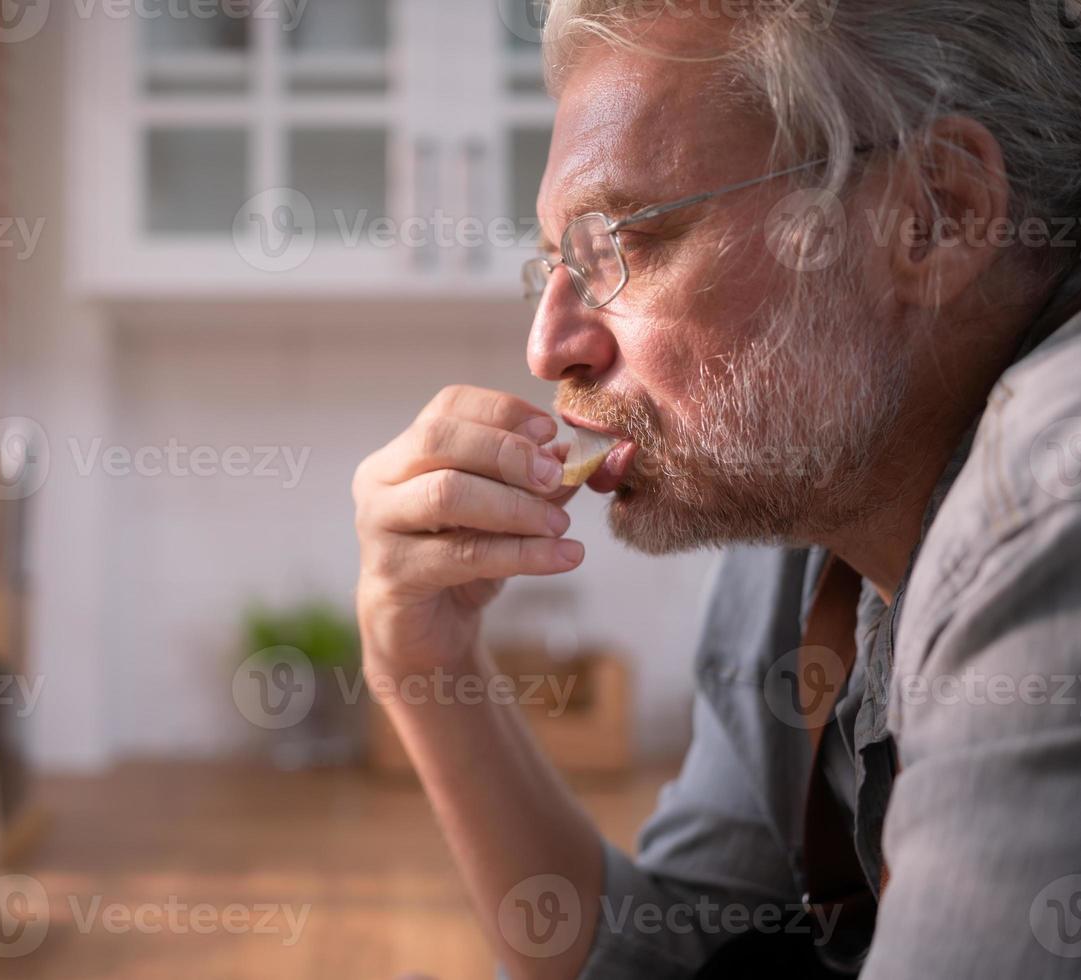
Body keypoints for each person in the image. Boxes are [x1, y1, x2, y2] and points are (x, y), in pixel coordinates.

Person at [350, 2, 1081, 977]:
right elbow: (675, 953)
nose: (550, 344)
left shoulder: (1050, 515)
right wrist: (425, 658)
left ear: (935, 213)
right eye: (557, 261)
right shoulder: (811, 493)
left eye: (626, 243)